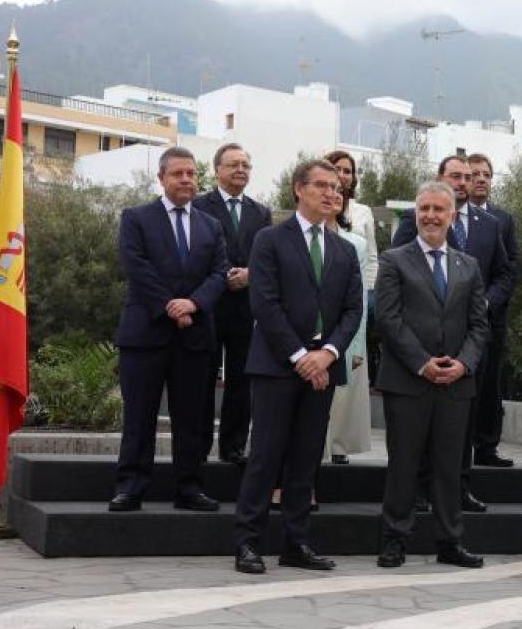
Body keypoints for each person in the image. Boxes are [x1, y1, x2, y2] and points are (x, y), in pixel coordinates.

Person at [232, 159, 364, 575]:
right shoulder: (270, 240)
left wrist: (327, 355)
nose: (332, 193)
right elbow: (265, 304)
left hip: (323, 369)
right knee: (266, 456)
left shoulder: (345, 248)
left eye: (337, 188)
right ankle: (248, 543)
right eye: (322, 185)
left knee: (306, 459)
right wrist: (300, 357)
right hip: (276, 367)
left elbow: (353, 310)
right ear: (298, 189)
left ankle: (297, 542)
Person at [374, 181, 490, 569]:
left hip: (456, 384)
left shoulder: (468, 265)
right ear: (415, 213)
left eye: (439, 209)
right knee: (403, 464)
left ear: (452, 216)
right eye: (424, 209)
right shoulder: (394, 260)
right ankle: (394, 539)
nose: (430, 216)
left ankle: (449, 542)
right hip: (408, 381)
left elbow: (479, 326)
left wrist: (464, 364)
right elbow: (387, 319)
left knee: (448, 467)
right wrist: (421, 362)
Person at [109, 147, 229, 513]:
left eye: (192, 174)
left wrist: (192, 303)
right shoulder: (137, 217)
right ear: (161, 178)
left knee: (192, 419)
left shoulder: (211, 225)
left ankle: (189, 488)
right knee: (140, 416)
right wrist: (169, 305)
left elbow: (219, 273)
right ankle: (131, 487)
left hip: (194, 336)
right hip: (145, 334)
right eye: (178, 174)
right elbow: (136, 266)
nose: (187, 180)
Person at [393, 155, 513, 512]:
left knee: (463, 419)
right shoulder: (413, 219)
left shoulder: (490, 225)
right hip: (422, 342)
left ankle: (458, 487)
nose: (463, 182)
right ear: (441, 178)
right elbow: (396, 268)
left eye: (468, 176)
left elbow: (506, 272)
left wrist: (484, 304)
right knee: (419, 424)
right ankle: (416, 490)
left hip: (470, 341)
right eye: (456, 176)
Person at [194, 143, 272, 466]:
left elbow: (267, 257)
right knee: (202, 379)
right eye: (233, 165)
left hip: (245, 308)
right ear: (217, 170)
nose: (241, 170)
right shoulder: (199, 206)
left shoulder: (261, 211)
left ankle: (233, 448)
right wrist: (222, 275)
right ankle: (198, 448)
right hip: (209, 305)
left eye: (246, 165)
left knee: (242, 381)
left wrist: (251, 275)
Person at [465, 152, 519, 468]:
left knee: (490, 384)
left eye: (487, 174)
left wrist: (487, 302)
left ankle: (487, 446)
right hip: (454, 318)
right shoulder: (448, 215)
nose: (481, 179)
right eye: (475, 174)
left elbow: (510, 267)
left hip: (490, 317)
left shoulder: (503, 220)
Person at [324, 182, 372, 465]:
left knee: (342, 398)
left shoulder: (357, 244)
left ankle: (338, 446)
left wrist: (355, 347)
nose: (334, 197)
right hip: (307, 336)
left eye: (340, 193)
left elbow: (360, 302)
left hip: (345, 333)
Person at [325, 149, 379, 327]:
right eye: (336, 168)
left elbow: (371, 256)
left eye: (347, 171)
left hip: (357, 289)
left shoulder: (363, 212)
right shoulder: (317, 209)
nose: (341, 175)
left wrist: (370, 292)